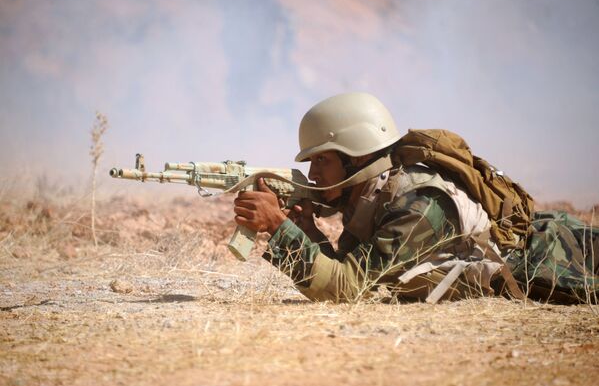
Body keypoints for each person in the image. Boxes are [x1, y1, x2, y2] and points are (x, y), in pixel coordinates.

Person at [233, 92, 599, 303]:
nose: (313, 175)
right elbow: (351, 266)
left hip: (563, 255)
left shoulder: (421, 204)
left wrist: (279, 228)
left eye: (322, 160)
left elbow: (348, 288)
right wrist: (307, 232)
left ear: (357, 155)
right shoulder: (373, 195)